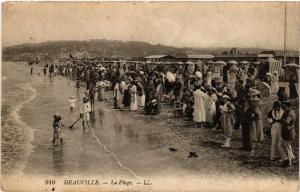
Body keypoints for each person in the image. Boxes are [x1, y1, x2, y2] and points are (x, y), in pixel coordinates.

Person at [281, 100, 296, 167]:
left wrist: (283, 120)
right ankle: (291, 158)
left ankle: (289, 162)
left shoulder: (290, 113)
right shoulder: (289, 112)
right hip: (288, 132)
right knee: (287, 147)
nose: (283, 108)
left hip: (289, 132)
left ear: (287, 106)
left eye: (284, 106)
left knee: (286, 147)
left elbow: (286, 122)